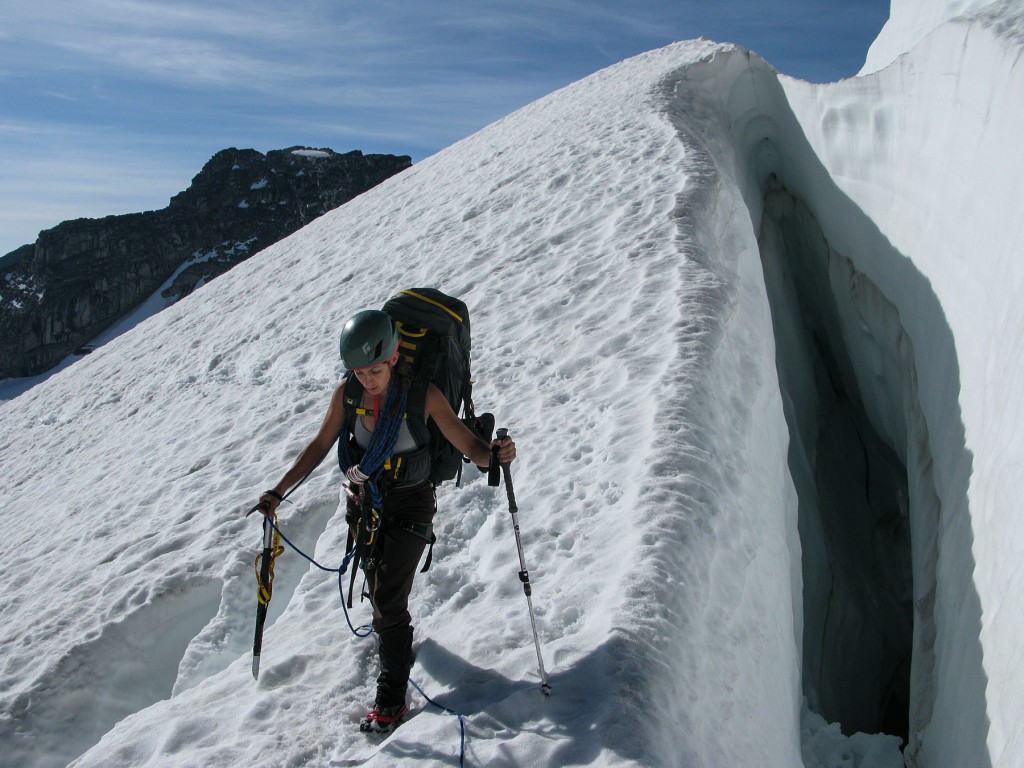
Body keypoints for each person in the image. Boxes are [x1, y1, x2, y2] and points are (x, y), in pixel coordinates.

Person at [255, 308, 516, 733]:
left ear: (394, 356)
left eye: (375, 370)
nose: (367, 379)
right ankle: (395, 641)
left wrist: (497, 456)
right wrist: (277, 492)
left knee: (389, 602)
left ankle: (391, 696)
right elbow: (321, 443)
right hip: (366, 505)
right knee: (380, 590)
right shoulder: (348, 394)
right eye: (358, 372)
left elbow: (471, 447)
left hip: (412, 503)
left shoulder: (423, 395)